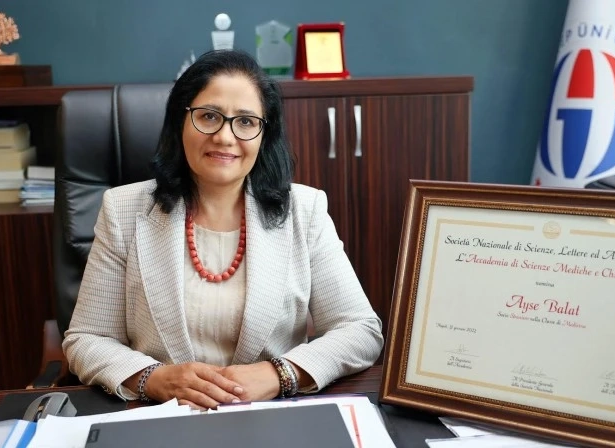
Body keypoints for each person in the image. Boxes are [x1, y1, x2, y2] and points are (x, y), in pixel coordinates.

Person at [62, 49, 384, 410]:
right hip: (161, 417)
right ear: (180, 122)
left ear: (264, 134)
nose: (225, 137)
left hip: (272, 416)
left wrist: (278, 374)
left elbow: (360, 330)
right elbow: (87, 339)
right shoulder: (123, 210)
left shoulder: (304, 211)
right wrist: (155, 379)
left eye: (245, 121)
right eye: (209, 116)